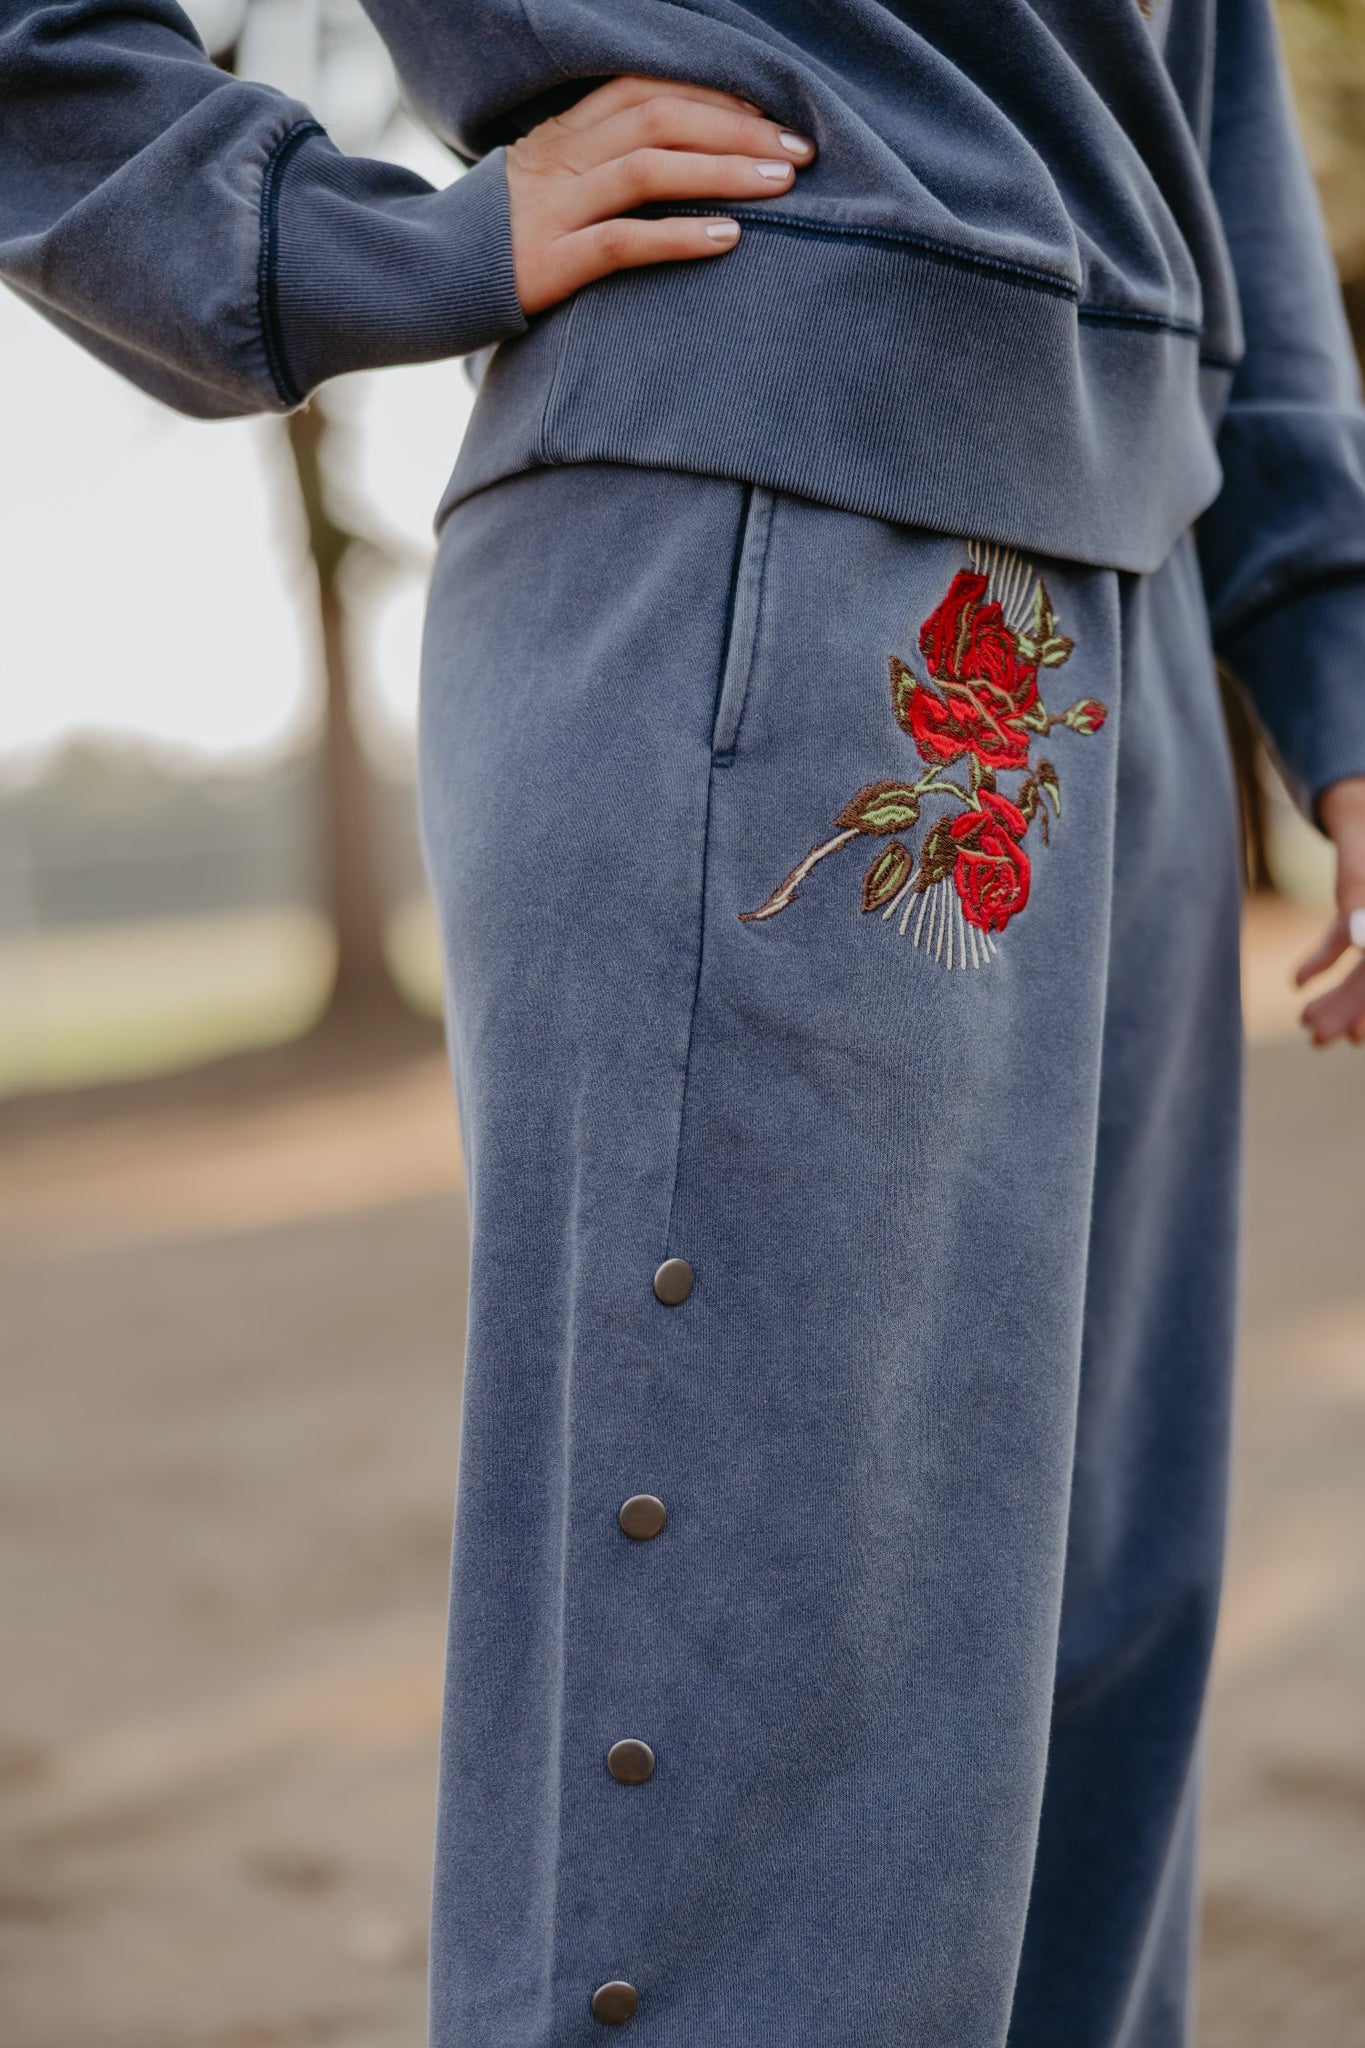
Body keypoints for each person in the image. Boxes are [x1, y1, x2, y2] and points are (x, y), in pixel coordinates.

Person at [4, 3, 1364, 2042]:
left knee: (1079, 1743)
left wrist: (1330, 645)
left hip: (1135, 611)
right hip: (774, 532)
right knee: (768, 1830)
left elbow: (1213, 102)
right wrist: (327, 241)